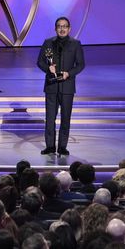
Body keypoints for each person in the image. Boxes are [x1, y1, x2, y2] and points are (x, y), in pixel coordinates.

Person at [37, 16, 85, 156]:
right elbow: (40, 62)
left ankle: (62, 147)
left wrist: (68, 74)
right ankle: (50, 146)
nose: (62, 29)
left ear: (69, 29)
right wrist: (48, 69)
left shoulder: (75, 44)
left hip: (67, 87)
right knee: (50, 119)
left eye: (65, 26)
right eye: (59, 26)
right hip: (51, 87)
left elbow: (81, 64)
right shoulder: (48, 43)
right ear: (55, 28)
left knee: (65, 118)